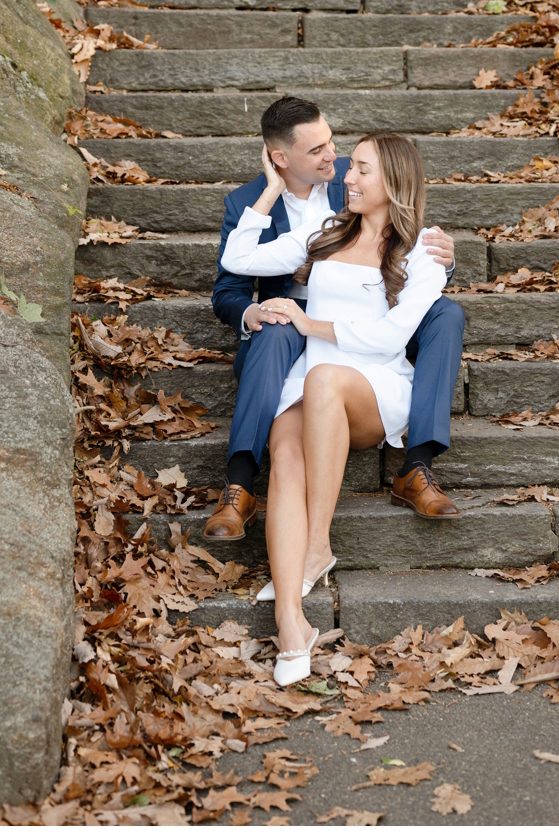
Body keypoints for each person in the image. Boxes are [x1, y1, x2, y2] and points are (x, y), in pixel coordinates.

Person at [220, 133, 448, 684]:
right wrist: (272, 190)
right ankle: (290, 622)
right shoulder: (322, 235)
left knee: (322, 376)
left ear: (393, 181)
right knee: (284, 446)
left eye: (361, 170)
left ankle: (318, 545)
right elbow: (238, 257)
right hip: (313, 384)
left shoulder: (423, 253)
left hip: (372, 389)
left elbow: (393, 334)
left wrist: (307, 324)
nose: (346, 176)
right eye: (350, 169)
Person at [200, 97, 465, 543]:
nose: (334, 159)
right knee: (275, 325)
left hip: (371, 306)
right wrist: (253, 311)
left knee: (447, 312)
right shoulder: (247, 202)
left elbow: (402, 230)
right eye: (317, 149)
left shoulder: (356, 175)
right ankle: (240, 484)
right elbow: (231, 281)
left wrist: (439, 262)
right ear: (280, 158)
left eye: (332, 143)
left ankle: (417, 466)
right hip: (295, 319)